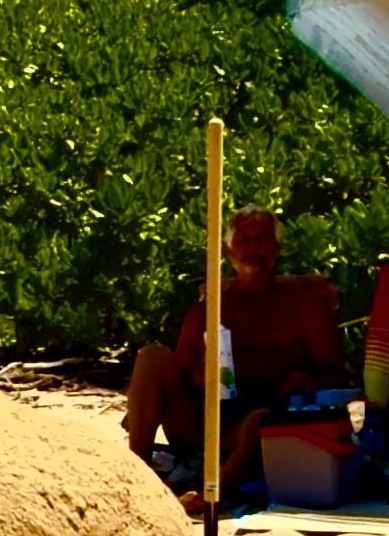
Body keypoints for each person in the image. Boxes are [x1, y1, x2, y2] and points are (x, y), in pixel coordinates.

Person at [121, 210, 347, 494]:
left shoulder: (304, 305)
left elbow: (338, 373)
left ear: (278, 249)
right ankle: (134, 474)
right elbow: (176, 376)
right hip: (201, 423)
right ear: (228, 250)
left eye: (261, 240)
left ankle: (212, 496)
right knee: (152, 355)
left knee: (257, 419)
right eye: (245, 240)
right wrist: (198, 376)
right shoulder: (208, 309)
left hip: (264, 421)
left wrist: (310, 382)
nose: (253, 249)